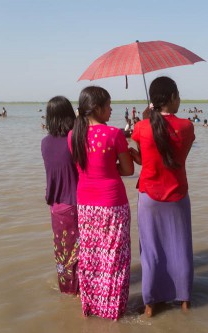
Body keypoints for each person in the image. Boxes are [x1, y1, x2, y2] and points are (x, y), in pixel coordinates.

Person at [130, 76, 195, 318]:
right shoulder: (187, 126)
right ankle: (185, 300)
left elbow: (143, 158)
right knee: (181, 247)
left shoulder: (141, 127)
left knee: (151, 251)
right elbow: (179, 156)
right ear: (171, 98)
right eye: (178, 96)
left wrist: (147, 120)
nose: (179, 100)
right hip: (177, 194)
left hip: (149, 197)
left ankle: (150, 304)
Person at [69, 86, 134, 320]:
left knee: (92, 256)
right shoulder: (113, 134)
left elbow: (84, 168)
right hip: (112, 204)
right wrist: (114, 166)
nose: (111, 109)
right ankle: (113, 311)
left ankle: (91, 307)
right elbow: (128, 169)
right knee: (115, 258)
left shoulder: (72, 135)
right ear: (96, 108)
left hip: (85, 204)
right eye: (108, 105)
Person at [41, 96, 79, 294]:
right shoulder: (74, 139)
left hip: (56, 206)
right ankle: (82, 294)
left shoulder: (45, 143)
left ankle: (67, 291)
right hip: (76, 203)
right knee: (81, 253)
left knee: (63, 252)